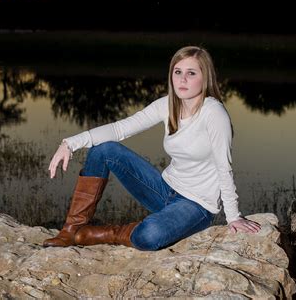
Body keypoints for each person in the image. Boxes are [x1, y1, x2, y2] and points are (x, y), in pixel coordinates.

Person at [43, 46, 261, 251]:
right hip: (164, 189)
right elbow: (120, 129)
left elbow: (224, 167)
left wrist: (233, 216)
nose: (182, 79)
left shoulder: (214, 113)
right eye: (177, 72)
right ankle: (71, 230)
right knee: (104, 150)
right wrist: (69, 143)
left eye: (191, 73)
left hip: (196, 206)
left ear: (205, 78)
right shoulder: (168, 104)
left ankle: (97, 234)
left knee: (148, 237)